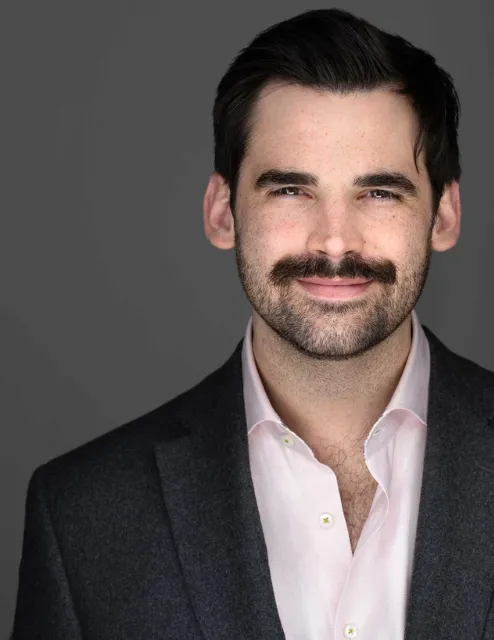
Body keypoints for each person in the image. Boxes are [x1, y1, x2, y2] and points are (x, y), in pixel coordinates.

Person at [11, 7, 494, 640]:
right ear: (221, 213)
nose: (334, 242)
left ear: (444, 215)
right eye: (290, 190)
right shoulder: (82, 515)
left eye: (379, 192)